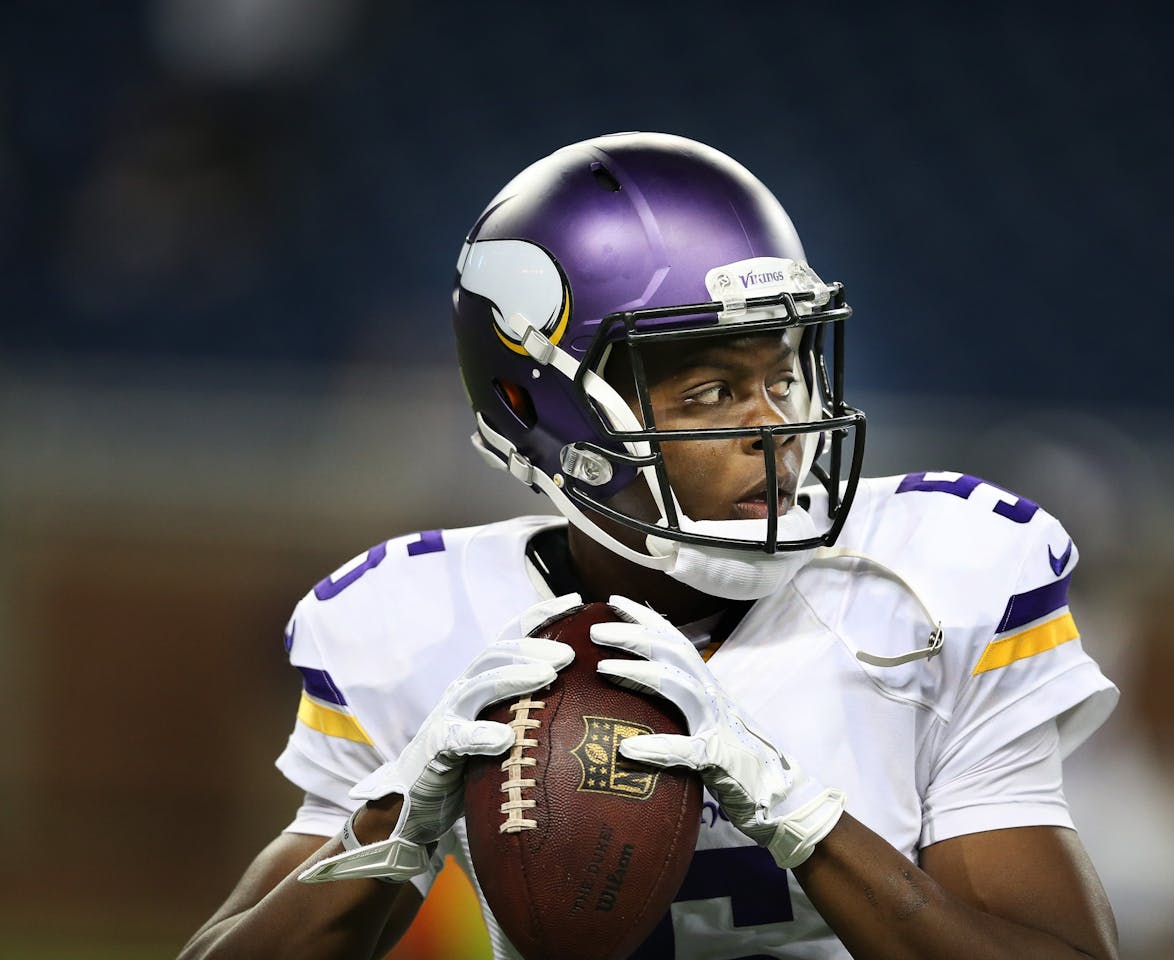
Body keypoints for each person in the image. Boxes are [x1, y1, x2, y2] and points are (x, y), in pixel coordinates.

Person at [178, 132, 1120, 960]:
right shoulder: (416, 628)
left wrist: (806, 821)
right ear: (537, 409)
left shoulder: (932, 583)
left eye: (786, 373)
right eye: (711, 392)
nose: (776, 428)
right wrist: (387, 831)